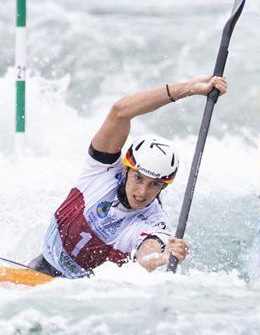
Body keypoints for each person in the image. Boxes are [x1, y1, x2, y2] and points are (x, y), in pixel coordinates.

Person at [28, 75, 229, 279]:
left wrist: (162, 258)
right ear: (126, 169)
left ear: (164, 187)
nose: (142, 192)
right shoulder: (101, 170)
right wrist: (190, 88)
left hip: (79, 291)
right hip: (40, 265)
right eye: (138, 178)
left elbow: (147, 254)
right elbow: (120, 112)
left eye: (155, 184)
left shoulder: (153, 222)